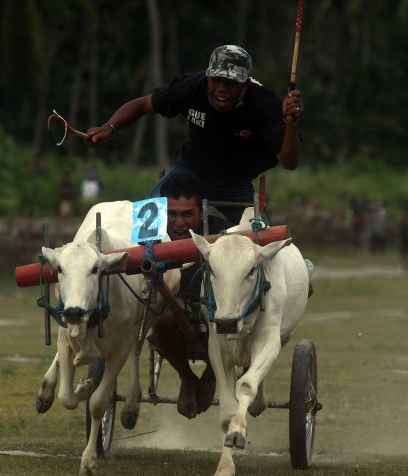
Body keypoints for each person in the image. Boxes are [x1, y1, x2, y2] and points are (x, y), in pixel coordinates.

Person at [85, 45, 302, 224]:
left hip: (236, 184)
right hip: (190, 172)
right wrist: (108, 127)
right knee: (146, 221)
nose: (222, 88)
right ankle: (150, 274)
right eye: (217, 79)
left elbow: (289, 162)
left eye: (231, 82)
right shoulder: (190, 87)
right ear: (208, 77)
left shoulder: (265, 105)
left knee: (261, 237)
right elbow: (142, 105)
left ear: (245, 83)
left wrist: (290, 123)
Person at [147, 174, 216, 419]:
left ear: (202, 212)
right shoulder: (148, 233)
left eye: (187, 214)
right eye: (172, 214)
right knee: (160, 317)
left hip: (216, 311)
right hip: (171, 312)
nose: (178, 223)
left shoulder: (223, 232)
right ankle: (187, 377)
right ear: (161, 211)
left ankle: (213, 373)